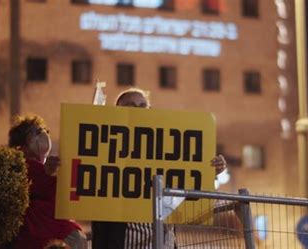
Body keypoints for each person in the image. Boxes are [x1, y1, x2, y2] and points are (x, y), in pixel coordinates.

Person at [91, 88, 227, 248]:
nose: (138, 110)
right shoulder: (105, 145)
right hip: (125, 241)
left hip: (163, 240)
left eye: (143, 106)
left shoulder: (167, 146)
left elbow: (183, 184)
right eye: (130, 105)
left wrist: (208, 171)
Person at [8, 114, 88, 249]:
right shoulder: (22, 166)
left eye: (45, 131)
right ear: (24, 143)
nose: (44, 134)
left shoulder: (43, 166)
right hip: (39, 230)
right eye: (38, 132)